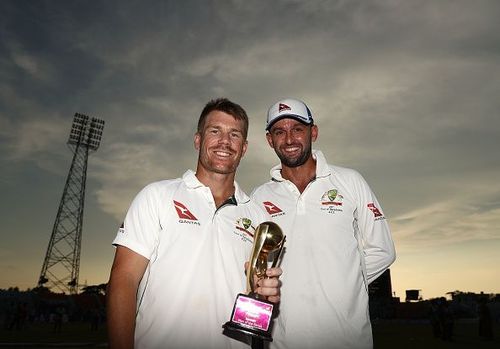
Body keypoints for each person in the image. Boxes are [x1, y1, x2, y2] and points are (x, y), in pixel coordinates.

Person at [106, 98, 282, 349]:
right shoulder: (157, 196)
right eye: (215, 131)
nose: (224, 141)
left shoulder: (257, 216)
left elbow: (255, 291)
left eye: (234, 134)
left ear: (243, 148)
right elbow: (124, 279)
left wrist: (264, 294)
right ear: (198, 140)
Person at [251, 98, 396, 349]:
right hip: (283, 341)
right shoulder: (258, 197)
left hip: (348, 339)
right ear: (269, 140)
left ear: (313, 132)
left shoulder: (350, 182)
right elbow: (254, 264)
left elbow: (383, 250)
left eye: (297, 129)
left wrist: (342, 281)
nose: (289, 139)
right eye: (279, 132)